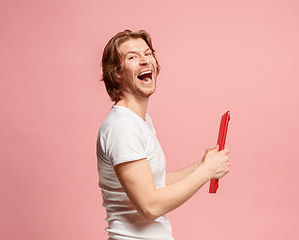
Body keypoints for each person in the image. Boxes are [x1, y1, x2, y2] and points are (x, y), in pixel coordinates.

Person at [97, 29, 230, 240]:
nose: (144, 60)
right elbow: (150, 205)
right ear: (117, 73)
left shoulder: (139, 121)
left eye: (148, 54)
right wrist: (206, 172)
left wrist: (202, 165)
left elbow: (154, 182)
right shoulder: (122, 127)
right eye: (132, 57)